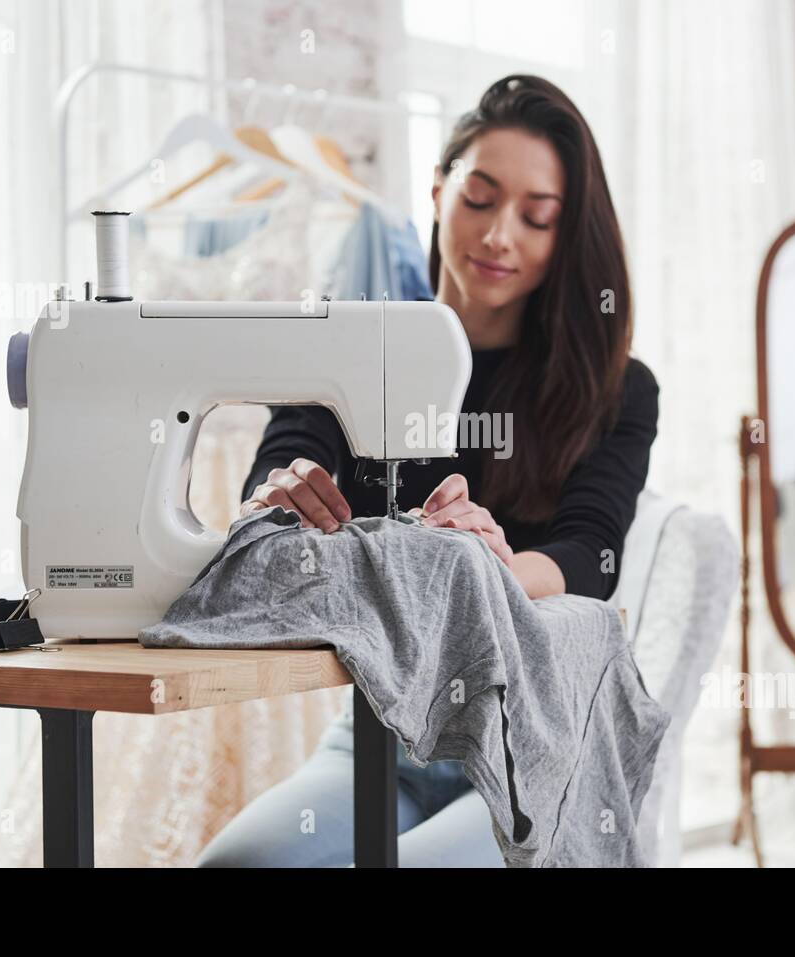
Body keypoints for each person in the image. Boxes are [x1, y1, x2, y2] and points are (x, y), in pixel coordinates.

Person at [196, 73, 659, 867]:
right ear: (438, 191)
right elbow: (285, 458)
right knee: (239, 866)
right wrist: (276, 497)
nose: (500, 235)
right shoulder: (354, 356)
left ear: (564, 231)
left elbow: (591, 554)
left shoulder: (614, 389)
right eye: (479, 199)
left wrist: (493, 568)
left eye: (536, 217)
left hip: (536, 743)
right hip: (388, 728)